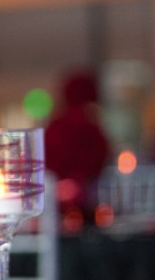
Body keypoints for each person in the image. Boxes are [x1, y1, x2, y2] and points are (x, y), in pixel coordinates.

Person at [44, 70, 111, 220]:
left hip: (53, 202)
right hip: (87, 202)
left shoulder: (54, 127)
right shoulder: (92, 128)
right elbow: (99, 160)